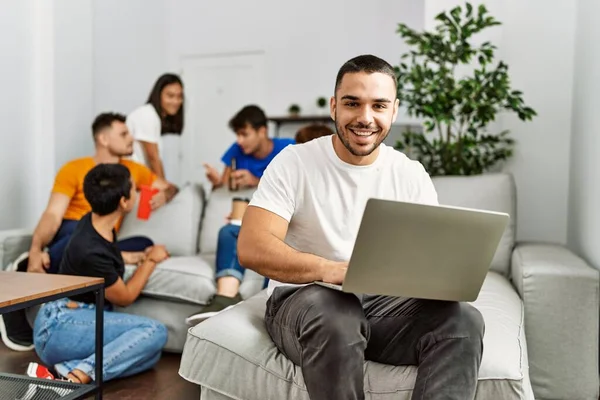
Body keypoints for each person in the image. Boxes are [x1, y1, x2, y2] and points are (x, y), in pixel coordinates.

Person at [237, 55, 485, 400]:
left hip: (382, 308)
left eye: (378, 105)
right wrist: (331, 270)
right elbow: (251, 246)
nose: (365, 118)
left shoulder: (410, 173)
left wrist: (443, 278)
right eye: (353, 103)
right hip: (305, 303)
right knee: (338, 314)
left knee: (463, 321)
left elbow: (427, 258)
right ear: (334, 106)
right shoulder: (295, 162)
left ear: (394, 111)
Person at [0, 112, 178, 352]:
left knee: (142, 241)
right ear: (103, 139)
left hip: (104, 239)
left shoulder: (132, 171)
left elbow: (169, 186)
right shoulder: (74, 169)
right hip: (73, 232)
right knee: (78, 232)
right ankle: (28, 267)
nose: (131, 138)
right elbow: (53, 214)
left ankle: (114, 255)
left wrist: (165, 194)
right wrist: (35, 248)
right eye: (123, 133)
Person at [31, 163, 169, 385]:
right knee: (154, 331)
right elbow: (125, 297)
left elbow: (103, 257)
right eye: (134, 188)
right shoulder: (90, 249)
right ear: (124, 202)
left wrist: (132, 257)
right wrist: (152, 259)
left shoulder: (94, 221)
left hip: (68, 320)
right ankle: (78, 375)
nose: (137, 191)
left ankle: (61, 372)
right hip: (59, 326)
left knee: (149, 354)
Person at [187, 105, 295, 323]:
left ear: (262, 131)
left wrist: (255, 181)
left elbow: (299, 185)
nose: (239, 140)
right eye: (237, 134)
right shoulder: (236, 151)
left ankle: (272, 304)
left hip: (279, 225)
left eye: (244, 134)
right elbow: (224, 185)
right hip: (246, 219)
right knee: (228, 231)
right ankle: (225, 298)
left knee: (273, 243)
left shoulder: (290, 149)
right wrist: (219, 181)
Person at [127, 73, 184, 180]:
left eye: (179, 96)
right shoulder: (147, 114)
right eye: (170, 96)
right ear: (159, 95)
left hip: (140, 177)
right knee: (170, 190)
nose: (176, 101)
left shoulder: (153, 116)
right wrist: (164, 186)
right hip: (133, 181)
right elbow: (153, 157)